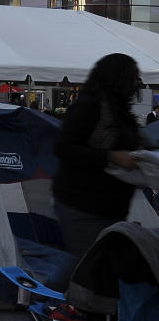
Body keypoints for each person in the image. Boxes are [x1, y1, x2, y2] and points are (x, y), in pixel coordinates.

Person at [53, 53, 142, 276]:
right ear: (119, 78)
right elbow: (64, 148)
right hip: (83, 205)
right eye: (133, 77)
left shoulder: (120, 111)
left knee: (96, 264)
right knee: (85, 264)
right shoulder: (90, 106)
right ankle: (46, 302)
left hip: (110, 206)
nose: (136, 83)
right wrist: (111, 157)